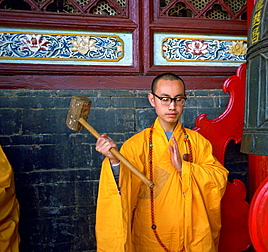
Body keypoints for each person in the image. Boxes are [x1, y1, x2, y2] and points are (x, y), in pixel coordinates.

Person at [95, 73, 229, 252]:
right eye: (165, 99)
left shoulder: (197, 142)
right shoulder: (136, 145)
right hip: (149, 237)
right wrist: (113, 160)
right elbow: (121, 191)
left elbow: (219, 180)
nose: (172, 106)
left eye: (178, 99)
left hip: (192, 236)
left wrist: (185, 169)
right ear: (152, 99)